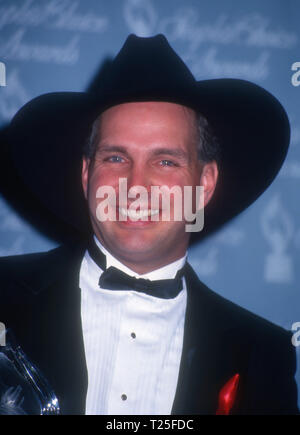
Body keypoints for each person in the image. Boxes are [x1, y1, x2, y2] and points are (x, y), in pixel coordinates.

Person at [0, 34, 298, 415]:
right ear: (87, 174)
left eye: (166, 162)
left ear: (204, 184)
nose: (136, 187)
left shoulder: (263, 355)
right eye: (115, 158)